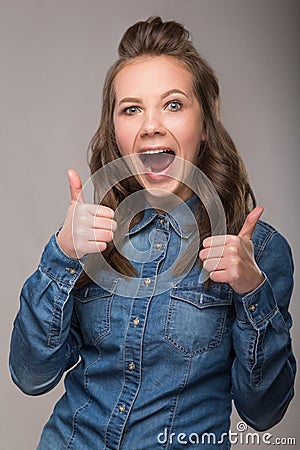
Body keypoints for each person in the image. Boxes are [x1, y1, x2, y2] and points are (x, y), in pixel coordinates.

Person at [9, 17, 296, 449]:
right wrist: (62, 254)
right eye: (131, 109)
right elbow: (31, 376)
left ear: (204, 127)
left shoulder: (259, 251)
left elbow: (264, 413)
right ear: (117, 133)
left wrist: (253, 290)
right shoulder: (89, 233)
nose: (150, 126)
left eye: (173, 105)